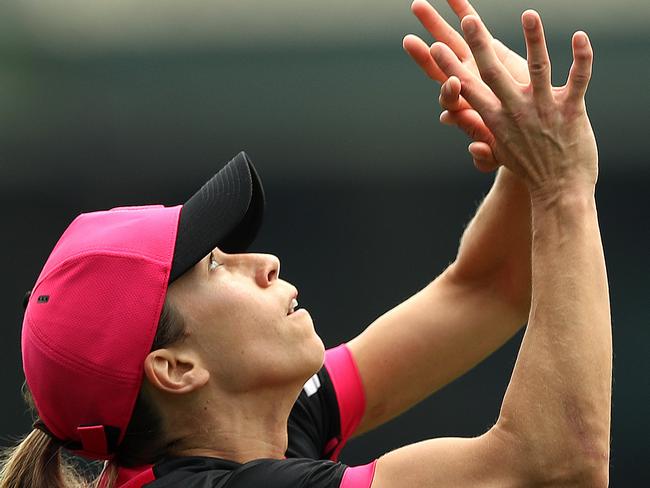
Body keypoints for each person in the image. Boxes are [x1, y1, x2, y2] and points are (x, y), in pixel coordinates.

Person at [0, 0, 611, 487]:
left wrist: (530, 147)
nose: (263, 263)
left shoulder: (250, 428)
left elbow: (488, 290)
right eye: (215, 266)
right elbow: (550, 466)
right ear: (175, 368)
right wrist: (560, 186)